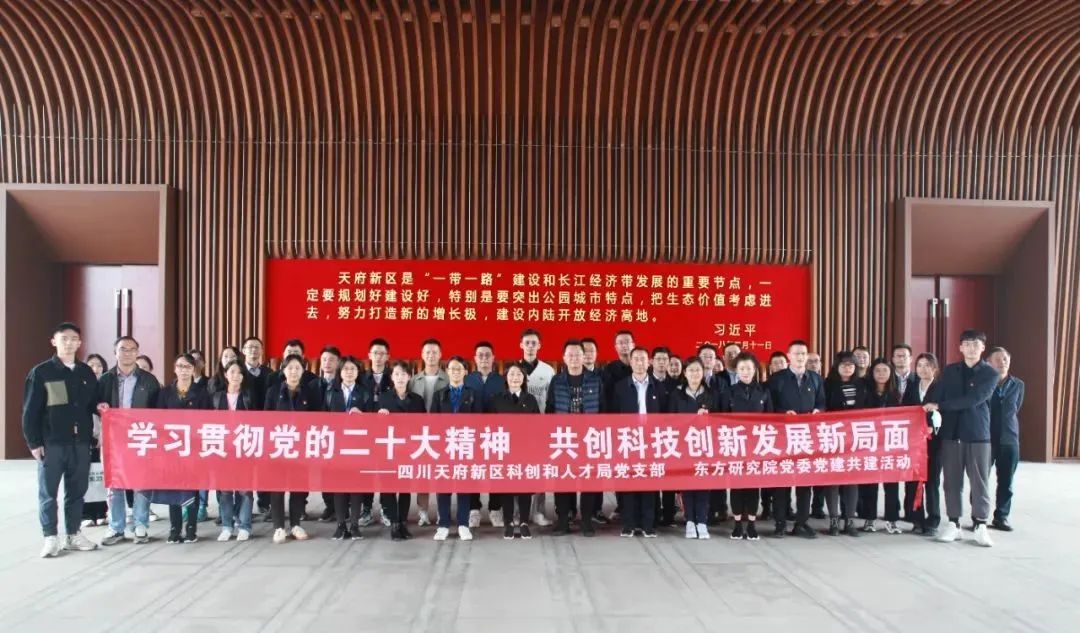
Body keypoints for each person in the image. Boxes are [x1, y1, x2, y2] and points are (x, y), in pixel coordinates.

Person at [23, 322, 103, 557]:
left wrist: (101, 408)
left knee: (77, 491)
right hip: (52, 443)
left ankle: (73, 534)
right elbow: (30, 411)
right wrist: (34, 442)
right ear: (54, 342)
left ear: (80, 343)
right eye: (64, 339)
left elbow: (93, 403)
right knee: (48, 493)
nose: (69, 343)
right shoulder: (42, 372)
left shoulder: (85, 372)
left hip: (81, 442)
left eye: (73, 339)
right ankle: (50, 537)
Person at [926, 329, 998, 548]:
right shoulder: (950, 371)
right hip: (951, 433)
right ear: (960, 347)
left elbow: (974, 399)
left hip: (977, 434)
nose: (971, 348)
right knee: (951, 482)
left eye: (975, 344)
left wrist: (941, 406)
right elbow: (938, 394)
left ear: (982, 347)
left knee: (979, 482)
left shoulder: (990, 373)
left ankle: (980, 525)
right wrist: (930, 408)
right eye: (966, 344)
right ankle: (953, 524)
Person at [96, 336, 161, 546]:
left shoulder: (149, 380)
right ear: (115, 352)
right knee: (114, 482)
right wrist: (99, 407)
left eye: (132, 349)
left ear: (137, 353)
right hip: (113, 438)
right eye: (123, 349)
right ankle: (116, 527)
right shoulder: (105, 380)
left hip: (140, 437)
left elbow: (158, 410)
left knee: (142, 481)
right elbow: (94, 405)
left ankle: (140, 524)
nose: (127, 353)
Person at [766, 339, 825, 539]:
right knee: (781, 482)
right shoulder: (777, 379)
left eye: (803, 354)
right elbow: (769, 406)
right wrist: (783, 413)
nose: (800, 357)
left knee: (804, 482)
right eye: (796, 353)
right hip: (782, 437)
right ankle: (780, 523)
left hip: (806, 437)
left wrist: (818, 411)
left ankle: (801, 522)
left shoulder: (815, 378)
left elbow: (822, 402)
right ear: (789, 356)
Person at [548, 339, 604, 537]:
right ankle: (563, 520)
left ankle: (586, 521)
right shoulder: (557, 381)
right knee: (563, 479)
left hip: (589, 437)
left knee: (589, 480)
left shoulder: (595, 379)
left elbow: (603, 408)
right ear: (564, 358)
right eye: (570, 355)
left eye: (578, 354)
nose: (574, 358)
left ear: (584, 356)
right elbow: (550, 408)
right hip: (564, 437)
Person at [155, 353, 212, 544]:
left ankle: (191, 528)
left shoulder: (202, 393)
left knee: (192, 487)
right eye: (180, 366)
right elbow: (158, 419)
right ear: (174, 369)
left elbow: (208, 420)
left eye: (188, 367)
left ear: (194, 369)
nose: (184, 370)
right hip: (172, 447)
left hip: (193, 447)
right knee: (173, 487)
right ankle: (175, 528)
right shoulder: (165, 393)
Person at [264, 354, 320, 544]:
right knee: (277, 488)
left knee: (298, 487)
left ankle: (296, 524)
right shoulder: (273, 392)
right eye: (290, 368)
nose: (294, 372)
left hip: (301, 447)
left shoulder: (310, 392)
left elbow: (317, 418)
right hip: (279, 446)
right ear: (283, 370)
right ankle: (279, 527)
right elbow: (266, 419)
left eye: (297, 368)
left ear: (303, 371)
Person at [613, 347, 666, 538]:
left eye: (643, 359)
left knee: (649, 484)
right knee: (628, 483)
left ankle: (648, 524)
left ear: (649, 362)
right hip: (627, 439)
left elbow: (666, 414)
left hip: (651, 440)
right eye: (636, 359)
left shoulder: (659, 387)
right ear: (630, 362)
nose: (639, 362)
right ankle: (629, 523)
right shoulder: (620, 387)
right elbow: (612, 415)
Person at [430, 356, 484, 541]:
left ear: (465, 371)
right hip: (444, 446)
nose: (455, 372)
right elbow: (432, 421)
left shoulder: (473, 394)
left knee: (464, 486)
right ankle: (443, 525)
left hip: (465, 445)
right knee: (443, 486)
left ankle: (463, 524)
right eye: (452, 369)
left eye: (459, 369)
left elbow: (479, 421)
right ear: (447, 371)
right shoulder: (439, 394)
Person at [668, 356, 718, 539]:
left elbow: (720, 420)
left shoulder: (711, 393)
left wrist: (708, 418)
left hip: (705, 446)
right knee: (687, 485)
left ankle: (702, 521)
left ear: (703, 372)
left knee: (704, 485)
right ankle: (689, 520)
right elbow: (670, 420)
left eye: (698, 370)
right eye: (691, 370)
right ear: (685, 373)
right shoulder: (677, 394)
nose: (695, 373)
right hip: (684, 446)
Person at [489, 362, 541, 539]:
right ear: (506, 378)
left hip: (525, 450)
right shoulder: (497, 399)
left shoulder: (530, 399)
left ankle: (524, 522)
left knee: (525, 487)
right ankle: (509, 522)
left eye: (519, 374)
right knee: (507, 488)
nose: (515, 378)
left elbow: (537, 425)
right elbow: (489, 425)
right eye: (511, 374)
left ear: (524, 378)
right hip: (504, 449)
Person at [376, 361, 427, 541]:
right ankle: (394, 523)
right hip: (389, 450)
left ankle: (403, 522)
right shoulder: (383, 398)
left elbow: (423, 425)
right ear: (392, 377)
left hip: (408, 450)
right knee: (388, 488)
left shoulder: (417, 400)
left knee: (405, 488)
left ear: (409, 377)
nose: (400, 378)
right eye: (396, 374)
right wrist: (380, 417)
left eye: (403, 374)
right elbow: (373, 425)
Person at [324, 356, 372, 540]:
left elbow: (373, 418)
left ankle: (354, 525)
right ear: (340, 372)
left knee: (356, 487)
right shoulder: (331, 391)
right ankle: (340, 525)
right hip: (337, 445)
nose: (349, 372)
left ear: (358, 372)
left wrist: (363, 415)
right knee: (339, 487)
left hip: (358, 445)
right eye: (345, 369)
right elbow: (322, 417)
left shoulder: (365, 392)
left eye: (353, 369)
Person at [726, 352, 772, 541]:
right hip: (735, 444)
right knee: (736, 486)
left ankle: (752, 524)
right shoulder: (729, 391)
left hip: (757, 445)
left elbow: (771, 419)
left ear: (755, 370)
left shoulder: (764, 391)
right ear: (736, 371)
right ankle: (737, 524)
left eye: (749, 368)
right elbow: (721, 418)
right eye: (742, 368)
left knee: (753, 486)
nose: (746, 372)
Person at [821, 352, 867, 537]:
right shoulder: (828, 384)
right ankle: (833, 519)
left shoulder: (862, 384)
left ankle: (849, 520)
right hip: (833, 436)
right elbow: (823, 406)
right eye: (843, 364)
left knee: (851, 479)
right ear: (836, 366)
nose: (847, 368)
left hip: (855, 437)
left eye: (851, 365)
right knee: (833, 479)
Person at [210, 360, 257, 542]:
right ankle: (227, 526)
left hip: (244, 448)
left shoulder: (248, 397)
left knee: (245, 490)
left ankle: (244, 526)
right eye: (232, 372)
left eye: (239, 372)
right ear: (225, 374)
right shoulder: (217, 397)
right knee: (225, 490)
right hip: (222, 448)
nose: (236, 375)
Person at [859, 358, 904, 534]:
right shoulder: (865, 393)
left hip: (890, 444)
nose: (881, 374)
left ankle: (891, 520)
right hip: (870, 443)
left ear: (891, 373)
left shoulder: (897, 395)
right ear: (872, 373)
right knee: (870, 484)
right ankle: (869, 519)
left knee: (891, 484)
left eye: (885, 370)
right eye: (877, 370)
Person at [464, 341, 507, 526]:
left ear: (493, 358)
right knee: (473, 471)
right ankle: (473, 509)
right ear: (475, 358)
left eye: (487, 355)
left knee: (495, 470)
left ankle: (495, 508)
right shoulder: (467, 379)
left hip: (495, 433)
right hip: (472, 434)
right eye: (480, 355)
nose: (484, 358)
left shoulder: (501, 380)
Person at [408, 338, 448, 527]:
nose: (431, 355)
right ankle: (422, 511)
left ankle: (441, 511)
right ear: (422, 355)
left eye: (434, 352)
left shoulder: (448, 378)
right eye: (427, 352)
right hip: (420, 433)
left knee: (441, 472)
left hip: (442, 432)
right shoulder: (414, 380)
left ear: (440, 355)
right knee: (422, 473)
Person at [902, 353, 943, 536]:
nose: (923, 369)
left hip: (935, 442)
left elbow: (946, 408)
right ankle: (916, 519)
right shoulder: (912, 386)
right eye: (919, 365)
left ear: (934, 368)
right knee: (913, 481)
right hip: (914, 442)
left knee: (932, 481)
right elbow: (904, 409)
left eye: (927, 365)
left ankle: (933, 521)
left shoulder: (941, 387)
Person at [519, 328, 555, 527]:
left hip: (541, 428)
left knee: (540, 470)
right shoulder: (514, 370)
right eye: (527, 343)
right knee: (519, 470)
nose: (530, 346)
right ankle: (519, 512)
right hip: (520, 430)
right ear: (521, 345)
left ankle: (538, 511)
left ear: (539, 345)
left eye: (534, 343)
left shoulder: (548, 371)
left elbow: (552, 400)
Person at [599, 330, 635, 523]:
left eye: (627, 342)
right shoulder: (610, 369)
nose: (624, 345)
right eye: (620, 342)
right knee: (621, 468)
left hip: (640, 427)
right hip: (618, 427)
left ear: (633, 344)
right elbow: (605, 398)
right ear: (615, 347)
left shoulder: (641, 365)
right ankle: (622, 505)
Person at [987, 347, 1024, 532]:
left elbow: (1016, 407)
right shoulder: (984, 383)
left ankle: (1001, 517)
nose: (1003, 362)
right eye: (998, 359)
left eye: (1005, 359)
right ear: (989, 363)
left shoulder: (1018, 384)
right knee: (980, 480)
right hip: (986, 438)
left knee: (1006, 481)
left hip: (1009, 439)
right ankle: (978, 516)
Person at [358, 338, 393, 528]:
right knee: (366, 472)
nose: (378, 357)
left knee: (386, 472)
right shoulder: (361, 377)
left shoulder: (394, 376)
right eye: (375, 353)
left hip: (388, 433)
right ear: (369, 355)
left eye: (382, 353)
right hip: (366, 432)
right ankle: (366, 509)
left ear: (388, 357)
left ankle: (386, 509)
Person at [696, 343, 730, 524]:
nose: (708, 359)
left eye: (711, 356)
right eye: (704, 356)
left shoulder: (721, 382)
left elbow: (725, 407)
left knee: (718, 471)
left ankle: (720, 508)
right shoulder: (692, 379)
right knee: (701, 472)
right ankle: (704, 512)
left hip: (717, 433)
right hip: (697, 434)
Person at [241, 336, 274, 519]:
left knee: (265, 467)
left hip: (266, 427)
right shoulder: (238, 372)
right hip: (243, 427)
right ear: (244, 351)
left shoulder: (270, 374)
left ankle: (264, 503)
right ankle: (244, 505)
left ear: (261, 351)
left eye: (256, 347)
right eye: (250, 347)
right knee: (244, 467)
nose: (253, 350)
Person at [312, 345, 342, 522]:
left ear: (338, 363)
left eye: (331, 359)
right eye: (324, 359)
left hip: (340, 434)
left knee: (340, 471)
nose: (327, 362)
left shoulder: (343, 383)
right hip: (319, 434)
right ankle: (329, 505)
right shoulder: (312, 385)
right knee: (324, 472)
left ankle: (342, 507)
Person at [650, 346, 679, 525]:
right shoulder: (645, 381)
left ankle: (669, 515)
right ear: (651, 361)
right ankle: (653, 513)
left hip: (670, 436)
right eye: (658, 359)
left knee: (669, 476)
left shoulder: (676, 384)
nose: (662, 362)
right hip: (650, 436)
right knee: (653, 475)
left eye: (665, 359)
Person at [80, 353, 109, 527]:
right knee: (85, 475)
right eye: (91, 365)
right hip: (85, 437)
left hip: (104, 438)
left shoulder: (105, 388)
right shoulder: (81, 387)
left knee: (101, 475)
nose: (95, 369)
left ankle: (101, 512)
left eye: (99, 365)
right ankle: (85, 514)